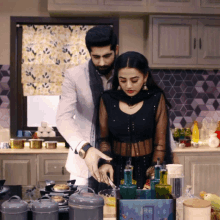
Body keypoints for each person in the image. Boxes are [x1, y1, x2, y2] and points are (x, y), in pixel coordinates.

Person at [97, 51, 173, 189]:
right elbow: (104, 139)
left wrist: (154, 171)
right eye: (123, 80)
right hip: (115, 169)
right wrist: (105, 162)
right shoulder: (107, 99)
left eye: (134, 80)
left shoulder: (156, 98)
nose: (128, 86)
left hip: (148, 169)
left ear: (145, 77)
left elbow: (160, 143)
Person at [56, 25, 119, 189]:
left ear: (116, 50)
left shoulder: (127, 74)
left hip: (120, 160)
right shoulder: (74, 76)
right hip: (83, 167)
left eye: (107, 56)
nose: (102, 62)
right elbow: (63, 118)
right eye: (96, 57)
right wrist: (86, 149)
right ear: (89, 53)